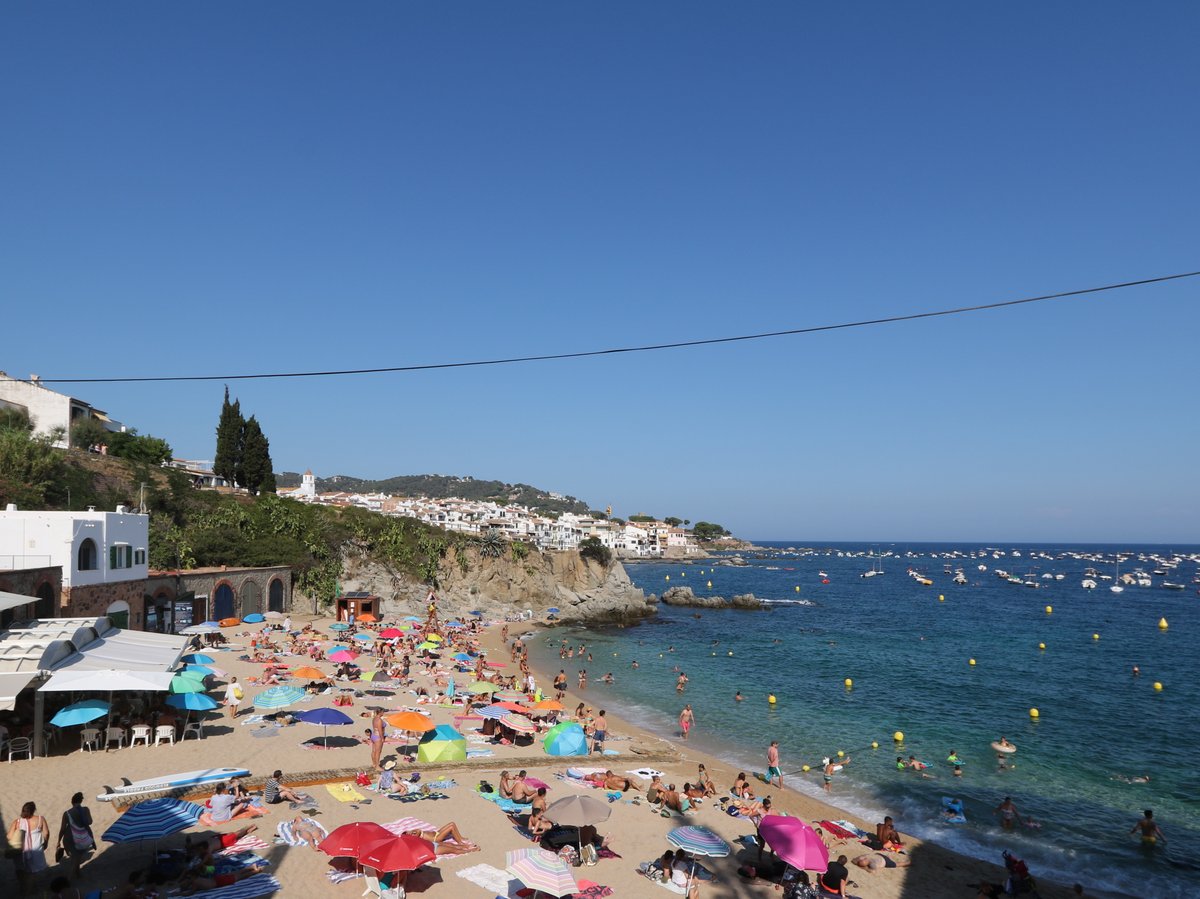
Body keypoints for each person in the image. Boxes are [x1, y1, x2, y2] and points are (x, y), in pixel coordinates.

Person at [7, 800, 49, 894]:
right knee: (32, 872)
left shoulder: (17, 822)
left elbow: (9, 836)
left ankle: (23, 886)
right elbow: (46, 833)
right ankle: (28, 891)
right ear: (34, 810)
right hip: (35, 850)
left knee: (20, 869)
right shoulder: (40, 819)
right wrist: (45, 843)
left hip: (20, 850)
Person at [56, 792, 94, 880]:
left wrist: (58, 840)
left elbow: (62, 829)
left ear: (72, 802)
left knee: (75, 858)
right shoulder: (86, 809)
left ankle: (75, 876)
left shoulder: (66, 813)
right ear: (81, 801)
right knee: (77, 858)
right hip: (82, 837)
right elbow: (90, 822)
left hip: (69, 837)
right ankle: (73, 877)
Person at [402, 822, 478, 855]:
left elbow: (417, 831)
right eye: (406, 833)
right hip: (435, 839)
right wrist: (411, 833)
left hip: (435, 836)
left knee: (452, 825)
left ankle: (463, 842)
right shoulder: (414, 836)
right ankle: (466, 846)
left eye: (406, 832)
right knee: (454, 849)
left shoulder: (413, 834)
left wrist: (410, 832)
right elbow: (418, 831)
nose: (408, 832)